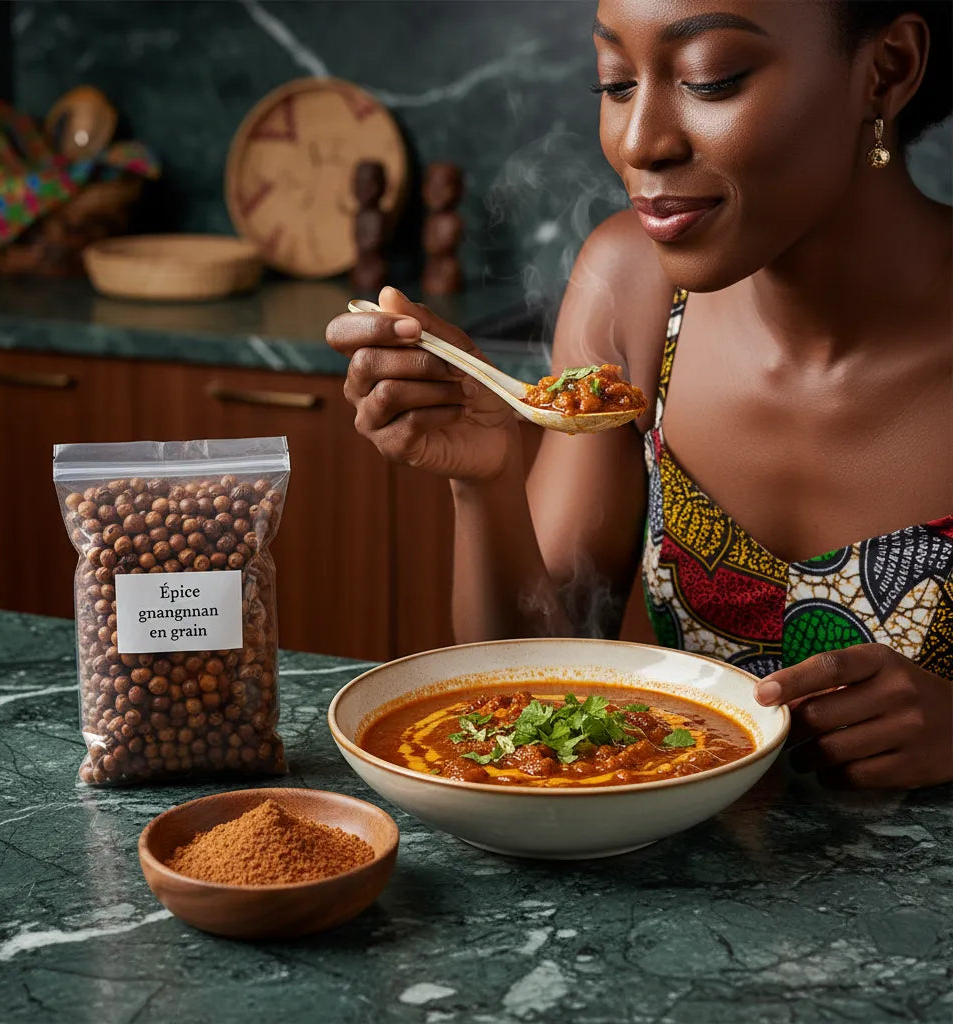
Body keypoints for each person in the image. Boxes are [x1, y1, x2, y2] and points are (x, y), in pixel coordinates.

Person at [327, 1, 952, 790]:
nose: (638, 142)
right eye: (616, 83)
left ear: (886, 68)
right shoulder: (631, 290)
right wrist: (484, 481)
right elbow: (540, 679)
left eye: (710, 80)